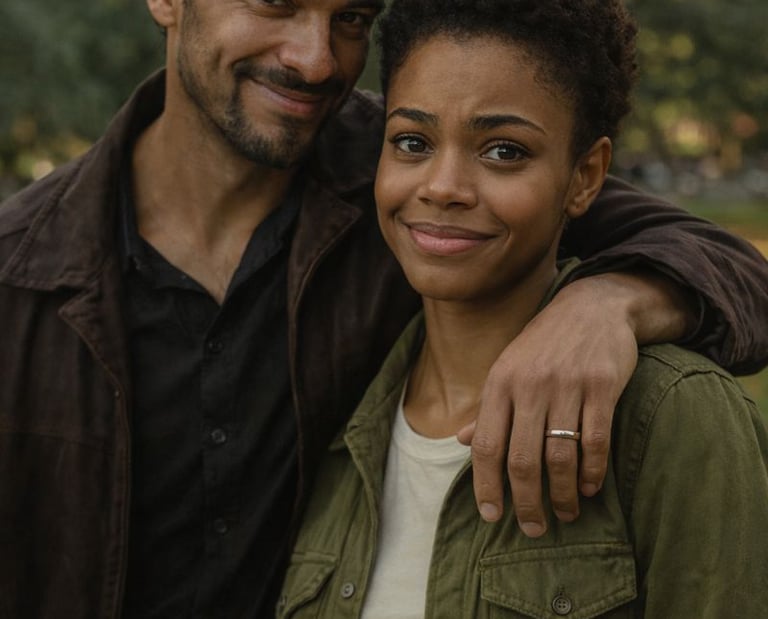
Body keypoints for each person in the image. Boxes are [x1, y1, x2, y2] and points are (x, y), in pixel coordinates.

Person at [0, 0, 766, 617]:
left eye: (353, 19)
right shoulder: (19, 273)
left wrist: (608, 303)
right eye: (277, 3)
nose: (315, 58)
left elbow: (731, 266)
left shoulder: (405, 161)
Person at [276, 1, 768, 617]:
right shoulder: (341, 424)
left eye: (503, 151)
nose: (443, 185)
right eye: (411, 141)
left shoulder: (675, 415)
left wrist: (611, 297)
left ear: (585, 177)